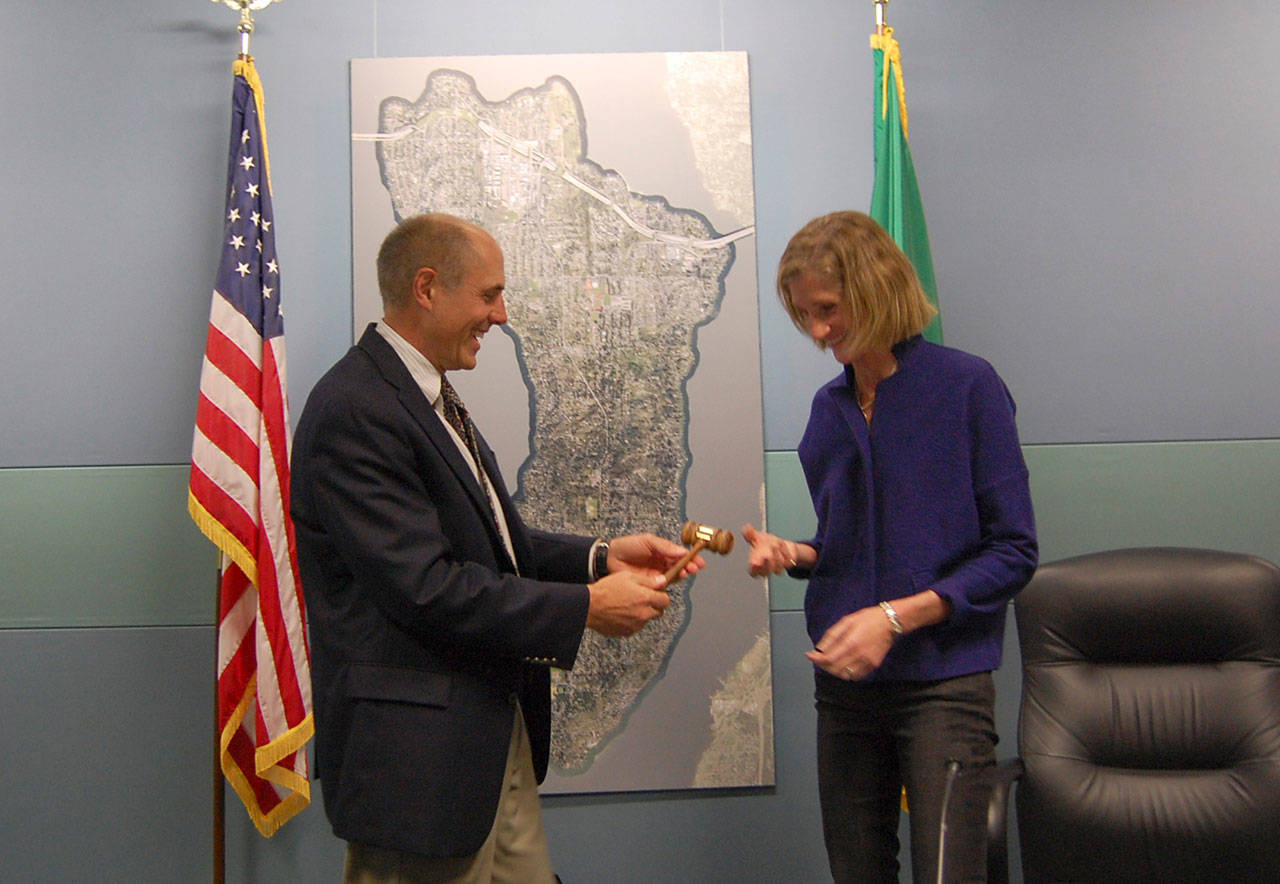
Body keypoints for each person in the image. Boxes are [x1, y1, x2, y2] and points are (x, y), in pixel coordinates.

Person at [291, 212, 702, 883]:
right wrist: (585, 608)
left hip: (487, 743)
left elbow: (488, 545)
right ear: (427, 288)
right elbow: (426, 586)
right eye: (488, 295)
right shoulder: (357, 409)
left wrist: (602, 558)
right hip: (418, 771)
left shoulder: (423, 397)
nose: (501, 315)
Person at [742, 211, 1036, 883]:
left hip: (942, 685)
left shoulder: (968, 387)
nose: (817, 333)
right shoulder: (829, 408)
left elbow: (1013, 551)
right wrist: (800, 555)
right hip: (846, 687)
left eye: (828, 310)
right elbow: (858, 542)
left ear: (875, 290)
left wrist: (897, 617)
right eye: (804, 316)